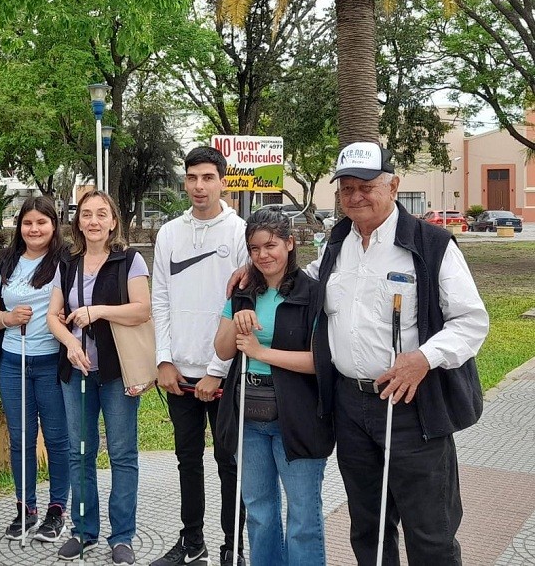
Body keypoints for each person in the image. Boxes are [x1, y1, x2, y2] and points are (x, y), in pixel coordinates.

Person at [311, 142, 489, 565]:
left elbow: (471, 320)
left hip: (412, 406)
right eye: (346, 188)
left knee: (430, 531)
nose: (355, 196)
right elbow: (306, 288)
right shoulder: (336, 243)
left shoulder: (432, 244)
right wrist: (258, 270)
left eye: (366, 186)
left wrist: (424, 357)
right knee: (368, 529)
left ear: (394, 185)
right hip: (351, 406)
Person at [213, 210, 334, 566]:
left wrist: (262, 351)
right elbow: (221, 350)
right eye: (255, 248)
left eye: (272, 245)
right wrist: (236, 323)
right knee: (260, 512)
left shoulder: (313, 294)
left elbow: (320, 362)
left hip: (297, 418)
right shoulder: (243, 291)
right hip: (248, 417)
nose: (263, 255)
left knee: (302, 518)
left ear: (290, 243)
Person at [150, 146, 248, 566]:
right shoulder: (169, 233)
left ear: (222, 180)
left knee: (230, 463)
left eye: (208, 178)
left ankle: (233, 548)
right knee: (187, 461)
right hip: (178, 375)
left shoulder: (241, 233)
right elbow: (160, 301)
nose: (199, 186)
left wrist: (216, 372)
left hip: (223, 376)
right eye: (192, 178)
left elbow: (241, 308)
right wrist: (164, 360)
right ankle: (193, 544)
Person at [47, 190, 151, 566]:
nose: (93, 220)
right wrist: (70, 345)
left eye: (101, 214)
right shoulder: (68, 264)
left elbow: (142, 310)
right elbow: (53, 316)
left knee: (122, 454)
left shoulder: (130, 261)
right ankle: (82, 530)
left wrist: (98, 311)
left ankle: (121, 537)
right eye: (86, 214)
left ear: (113, 221)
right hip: (76, 372)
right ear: (78, 222)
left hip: (117, 371)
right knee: (80, 452)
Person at [0, 195, 69, 542]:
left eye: (41, 222)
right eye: (27, 223)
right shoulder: (5, 262)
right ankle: (25, 507)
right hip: (13, 361)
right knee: (21, 438)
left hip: (52, 361)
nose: (34, 229)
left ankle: (57, 508)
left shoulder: (65, 261)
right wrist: (7, 318)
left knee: (58, 438)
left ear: (54, 225)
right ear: (19, 227)